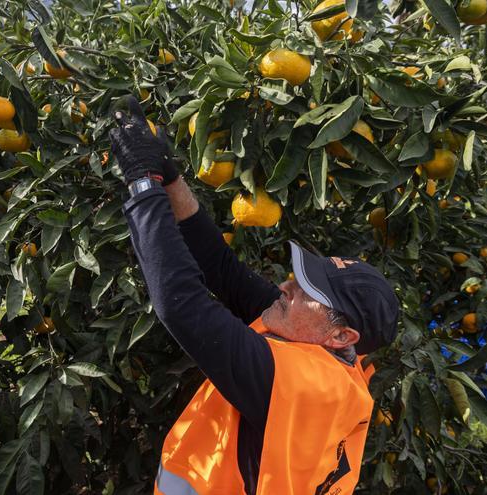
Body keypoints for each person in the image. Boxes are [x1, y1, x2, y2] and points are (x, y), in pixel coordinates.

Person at [109, 96, 400, 495]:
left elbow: (181, 305)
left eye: (306, 291)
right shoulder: (314, 338)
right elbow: (221, 267)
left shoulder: (302, 384)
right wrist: (168, 175)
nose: (285, 288)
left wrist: (142, 183)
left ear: (341, 336)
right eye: (298, 279)